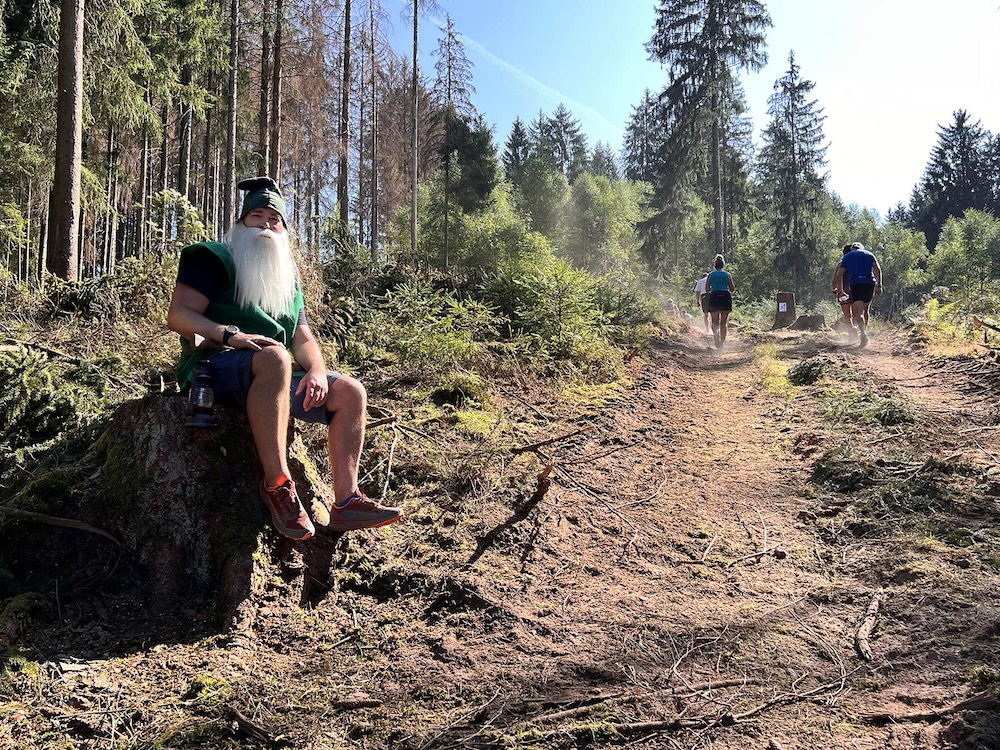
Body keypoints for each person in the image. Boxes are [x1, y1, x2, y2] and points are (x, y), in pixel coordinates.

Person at [167, 176, 402, 540]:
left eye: (273, 219)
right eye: (256, 216)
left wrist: (318, 370)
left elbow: (301, 335)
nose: (264, 224)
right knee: (276, 358)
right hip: (215, 366)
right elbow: (180, 316)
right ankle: (278, 485)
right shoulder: (213, 258)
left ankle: (346, 502)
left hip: (270, 374)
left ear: (284, 230)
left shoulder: (286, 279)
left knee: (351, 392)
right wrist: (232, 335)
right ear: (241, 224)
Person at [834, 241, 882, 348]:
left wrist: (840, 290)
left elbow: (839, 275)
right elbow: (878, 269)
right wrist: (879, 286)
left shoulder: (848, 256)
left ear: (852, 249)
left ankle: (863, 334)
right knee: (866, 309)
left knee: (858, 313)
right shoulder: (869, 254)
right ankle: (863, 330)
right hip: (870, 283)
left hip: (856, 283)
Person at [707, 255, 735, 349]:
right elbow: (732, 289)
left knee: (715, 321)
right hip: (725, 297)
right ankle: (722, 343)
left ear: (715, 265)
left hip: (714, 296)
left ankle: (716, 338)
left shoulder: (710, 275)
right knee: (723, 322)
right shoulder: (727, 275)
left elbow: (707, 289)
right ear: (723, 265)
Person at [831, 244, 855, 338]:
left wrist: (835, 289)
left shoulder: (840, 264)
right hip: (855, 290)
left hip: (843, 291)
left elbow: (835, 279)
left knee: (847, 315)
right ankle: (858, 330)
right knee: (856, 313)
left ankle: (851, 334)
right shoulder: (856, 263)